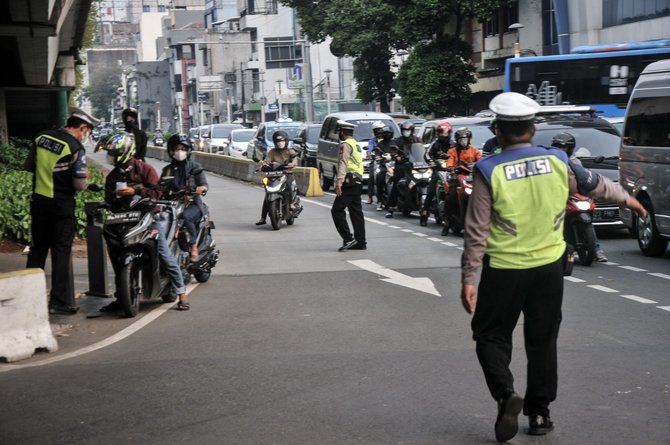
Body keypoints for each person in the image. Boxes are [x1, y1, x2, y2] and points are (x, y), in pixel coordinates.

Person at [460, 92, 647, 442]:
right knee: (542, 340)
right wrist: (630, 199)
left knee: (490, 335)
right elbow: (596, 184)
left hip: (504, 269)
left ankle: (505, 394)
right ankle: (541, 414)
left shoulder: (487, 169)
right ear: (533, 129)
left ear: (498, 131)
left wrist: (469, 277)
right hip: (550, 268)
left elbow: (476, 230)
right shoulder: (558, 160)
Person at [100, 132, 190, 311]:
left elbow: (158, 191)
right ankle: (121, 295)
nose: (110, 157)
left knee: (164, 255)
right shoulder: (112, 177)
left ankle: (182, 294)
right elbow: (109, 199)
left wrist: (136, 192)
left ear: (124, 152)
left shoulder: (145, 169)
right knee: (115, 253)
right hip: (123, 220)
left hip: (148, 217)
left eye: (114, 153)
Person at [24, 107, 99, 315]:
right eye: (88, 132)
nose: (87, 137)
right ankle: (58, 302)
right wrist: (87, 179)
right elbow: (79, 184)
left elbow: (30, 166)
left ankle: (28, 298)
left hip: (39, 202)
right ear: (82, 128)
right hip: (61, 205)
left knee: (37, 249)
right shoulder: (75, 147)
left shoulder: (41, 138)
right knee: (60, 252)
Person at [550, 132, 608, 262]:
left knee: (587, 218)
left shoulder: (575, 162)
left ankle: (597, 249)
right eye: (559, 147)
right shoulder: (548, 162)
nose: (562, 150)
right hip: (555, 196)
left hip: (572, 196)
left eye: (565, 147)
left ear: (571, 148)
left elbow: (583, 179)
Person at [161, 134, 209, 262]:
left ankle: (193, 246)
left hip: (192, 204)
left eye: (182, 148)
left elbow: (204, 185)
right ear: (171, 151)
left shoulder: (195, 167)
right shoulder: (167, 170)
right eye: (176, 149)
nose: (179, 152)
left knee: (186, 216)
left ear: (188, 151)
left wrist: (201, 188)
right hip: (172, 205)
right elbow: (159, 187)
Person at [331, 120, 366, 251]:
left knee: (336, 210)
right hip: (357, 181)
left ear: (343, 132)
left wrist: (339, 183)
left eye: (340, 131)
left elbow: (343, 164)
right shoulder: (355, 143)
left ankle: (348, 239)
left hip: (349, 181)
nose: (339, 134)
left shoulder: (345, 145)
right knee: (356, 212)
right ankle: (360, 241)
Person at [255, 130, 300, 225]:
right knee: (267, 195)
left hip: (286, 173)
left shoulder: (290, 151)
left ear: (286, 141)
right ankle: (263, 218)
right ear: (275, 142)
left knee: (288, 184)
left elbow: (295, 160)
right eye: (278, 141)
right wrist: (261, 165)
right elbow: (266, 161)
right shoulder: (272, 152)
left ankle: (291, 203)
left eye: (282, 140)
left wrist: (293, 164)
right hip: (273, 175)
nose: (280, 143)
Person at [420, 121, 454, 227]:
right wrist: (431, 161)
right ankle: (425, 212)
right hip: (438, 170)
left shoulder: (454, 144)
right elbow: (427, 154)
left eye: (446, 132)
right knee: (430, 191)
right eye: (441, 132)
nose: (443, 134)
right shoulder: (435, 144)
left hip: (451, 171)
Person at [385, 121, 420, 218]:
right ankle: (391, 207)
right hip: (402, 166)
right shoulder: (398, 141)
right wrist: (396, 156)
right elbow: (392, 150)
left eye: (408, 130)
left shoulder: (417, 140)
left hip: (416, 165)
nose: (406, 132)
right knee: (397, 184)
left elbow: (422, 150)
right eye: (405, 130)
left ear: (412, 131)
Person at [373, 126, 397, 211]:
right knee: (379, 179)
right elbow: (377, 152)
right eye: (384, 134)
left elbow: (400, 151)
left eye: (388, 134)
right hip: (384, 165)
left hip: (394, 165)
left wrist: (396, 156)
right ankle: (379, 201)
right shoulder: (380, 144)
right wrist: (377, 156)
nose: (386, 135)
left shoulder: (395, 142)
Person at [366, 120, 386, 204]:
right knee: (371, 177)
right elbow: (369, 149)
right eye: (377, 130)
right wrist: (369, 154)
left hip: (386, 162)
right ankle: (370, 197)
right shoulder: (372, 141)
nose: (379, 132)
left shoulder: (388, 139)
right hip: (376, 162)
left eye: (380, 130)